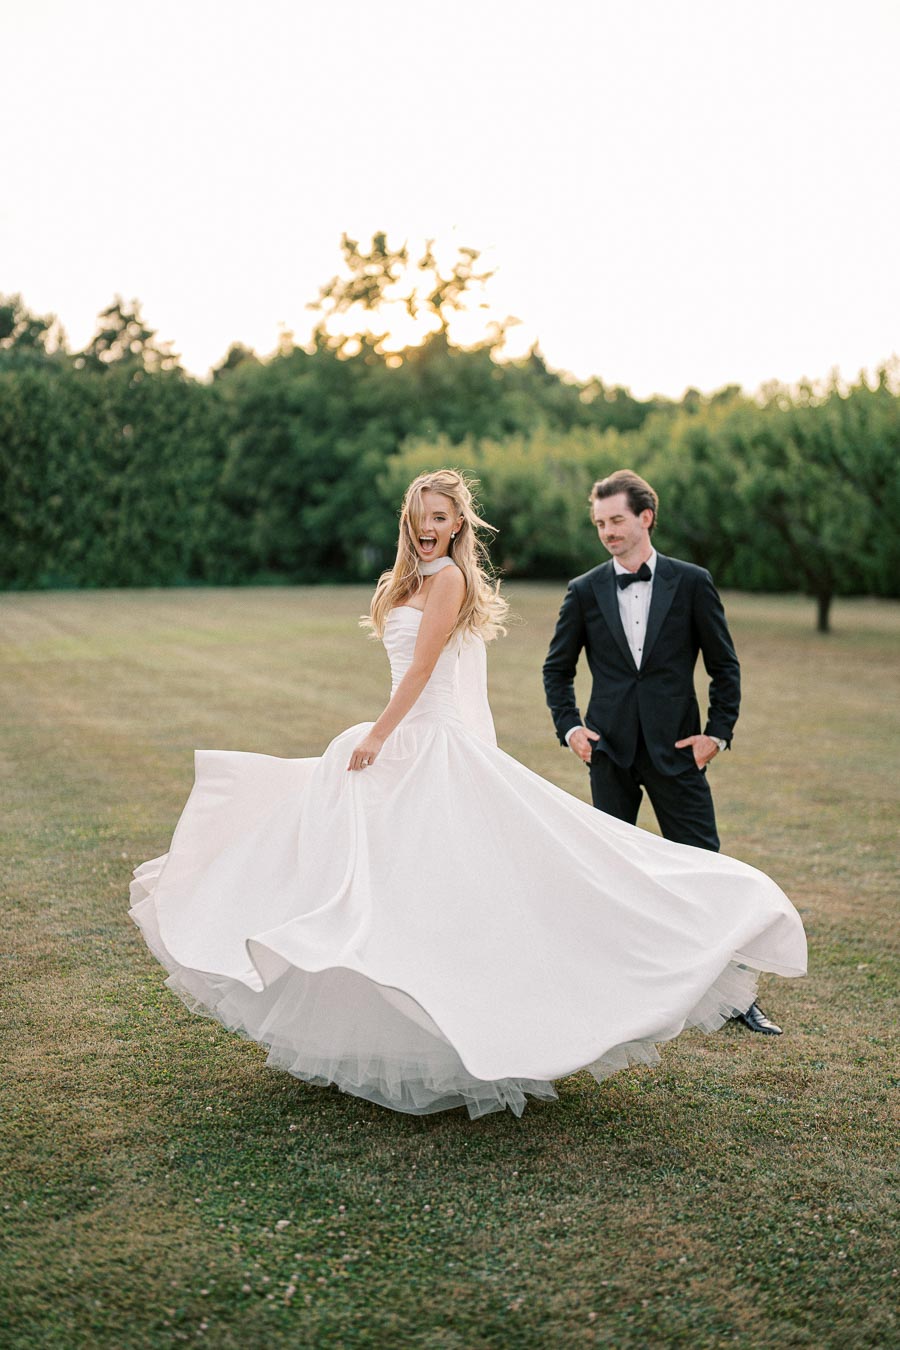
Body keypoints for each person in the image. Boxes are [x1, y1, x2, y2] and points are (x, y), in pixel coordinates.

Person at [130, 470, 806, 1119]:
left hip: (424, 743)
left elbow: (425, 668)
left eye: (441, 517)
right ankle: (393, 1027)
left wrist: (377, 736)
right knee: (381, 887)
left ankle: (687, 941)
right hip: (407, 739)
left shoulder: (449, 577)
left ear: (457, 526)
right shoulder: (408, 579)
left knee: (462, 881)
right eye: (421, 517)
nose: (429, 528)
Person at [543, 468, 783, 1035]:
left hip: (679, 752)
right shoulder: (583, 590)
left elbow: (724, 667)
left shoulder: (692, 582)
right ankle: (612, 988)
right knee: (608, 872)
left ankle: (734, 997)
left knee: (706, 869)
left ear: (646, 517)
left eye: (617, 520)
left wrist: (716, 735)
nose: (608, 532)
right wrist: (571, 728)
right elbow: (557, 669)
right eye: (600, 523)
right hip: (609, 753)